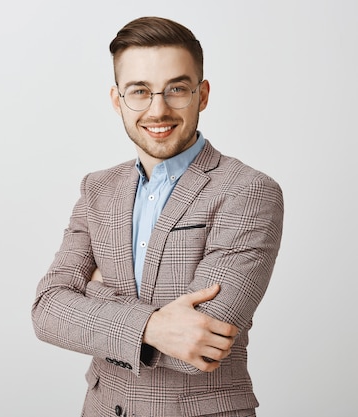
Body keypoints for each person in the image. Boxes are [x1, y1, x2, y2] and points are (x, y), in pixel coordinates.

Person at [31, 16, 284, 417]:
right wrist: (154, 326)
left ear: (202, 94)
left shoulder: (248, 191)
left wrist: (91, 295)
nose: (158, 109)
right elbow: (46, 312)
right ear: (118, 100)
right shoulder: (97, 189)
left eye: (176, 89)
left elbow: (199, 345)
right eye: (140, 91)